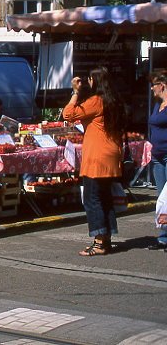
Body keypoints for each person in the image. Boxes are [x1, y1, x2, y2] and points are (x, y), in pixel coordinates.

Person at [63, 66, 125, 256]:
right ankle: (106, 238)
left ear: (94, 81)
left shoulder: (96, 101)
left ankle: (99, 241)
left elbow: (68, 114)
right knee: (105, 198)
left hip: (97, 156)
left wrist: (75, 92)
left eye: (90, 79)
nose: (88, 83)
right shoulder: (114, 101)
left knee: (92, 198)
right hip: (111, 154)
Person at [147, 71, 167, 249]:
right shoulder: (157, 105)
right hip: (158, 157)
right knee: (162, 197)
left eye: (154, 84)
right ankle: (164, 236)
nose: (152, 88)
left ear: (162, 85)